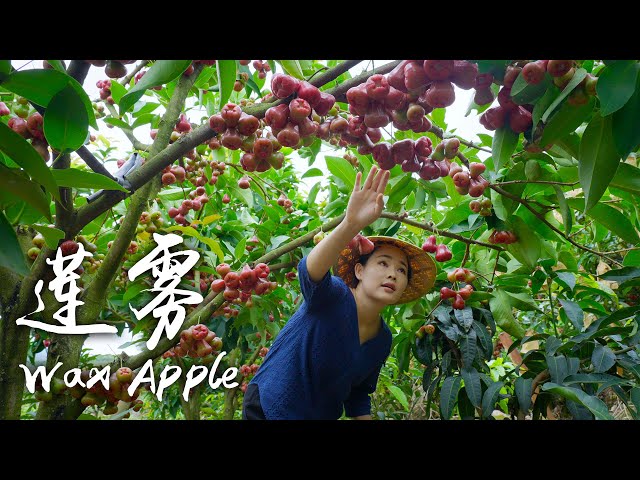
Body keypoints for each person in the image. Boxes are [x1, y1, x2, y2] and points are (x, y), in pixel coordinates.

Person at [242, 166, 436, 420]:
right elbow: (309, 271)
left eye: (402, 270)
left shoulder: (382, 340)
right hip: (270, 406)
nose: (393, 274)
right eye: (383, 263)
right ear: (359, 271)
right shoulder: (334, 296)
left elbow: (358, 395)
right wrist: (351, 224)